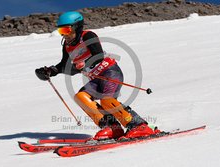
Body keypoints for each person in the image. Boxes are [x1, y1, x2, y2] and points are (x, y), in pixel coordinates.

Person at [35, 11, 159, 140]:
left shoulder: (87, 36)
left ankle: (139, 126)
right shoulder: (67, 46)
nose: (64, 35)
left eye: (67, 30)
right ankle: (112, 128)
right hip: (95, 79)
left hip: (110, 72)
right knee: (81, 96)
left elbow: (98, 55)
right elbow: (64, 66)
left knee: (107, 101)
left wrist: (84, 64)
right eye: (61, 31)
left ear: (77, 27)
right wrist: (50, 71)